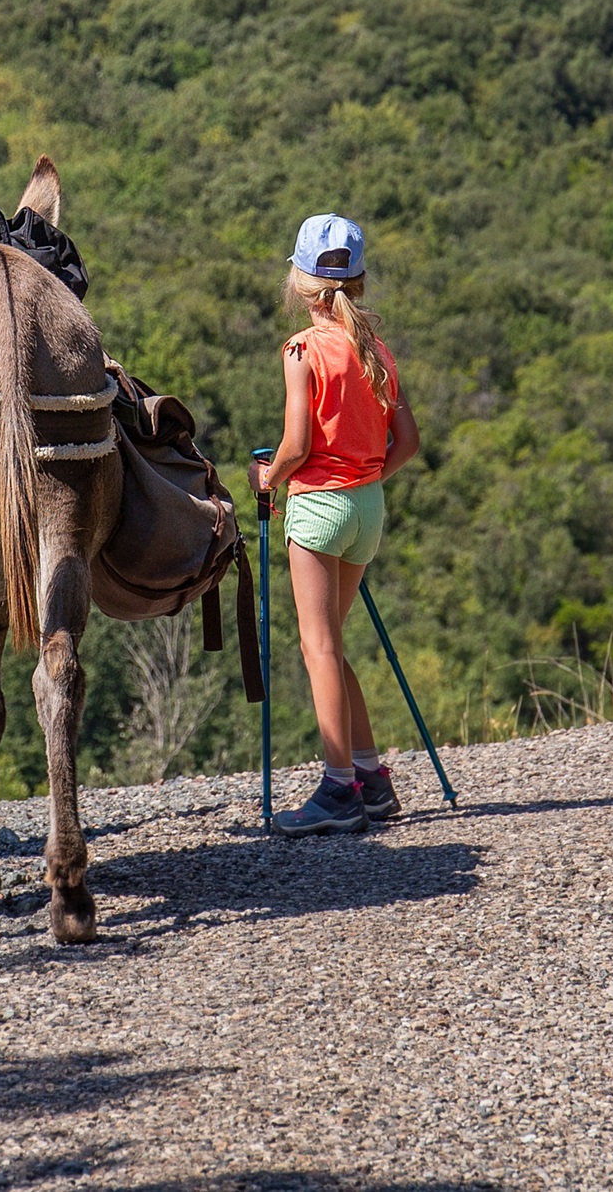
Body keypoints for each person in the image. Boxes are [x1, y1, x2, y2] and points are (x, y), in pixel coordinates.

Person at [247, 214, 423, 837]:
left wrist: (270, 479)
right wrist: (367, 476)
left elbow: (294, 444)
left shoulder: (301, 350)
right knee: (335, 644)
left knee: (316, 646)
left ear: (300, 283)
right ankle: (373, 780)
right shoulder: (377, 351)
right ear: (361, 280)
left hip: (319, 508)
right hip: (367, 507)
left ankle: (338, 788)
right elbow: (409, 441)